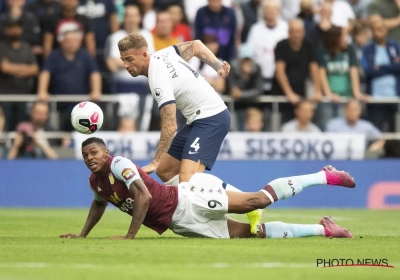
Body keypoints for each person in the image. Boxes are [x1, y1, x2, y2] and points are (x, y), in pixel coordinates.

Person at [60, 137, 355, 239]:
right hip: (180, 223)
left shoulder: (118, 163)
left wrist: (129, 236)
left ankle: (324, 175)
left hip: (186, 202)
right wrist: (82, 234)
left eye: (94, 153)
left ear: (105, 152)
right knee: (251, 235)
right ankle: (324, 229)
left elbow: (144, 195)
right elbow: (99, 202)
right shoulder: (94, 181)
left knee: (257, 201)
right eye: (86, 156)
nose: (90, 159)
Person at [117, 33, 264, 234]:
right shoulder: (165, 54)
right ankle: (208, 208)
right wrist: (217, 66)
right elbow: (195, 45)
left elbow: (169, 125)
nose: (125, 65)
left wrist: (154, 160)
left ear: (144, 54)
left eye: (129, 59)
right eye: (123, 60)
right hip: (197, 119)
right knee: (166, 170)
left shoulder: (157, 77)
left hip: (211, 118)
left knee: (187, 180)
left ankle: (248, 205)